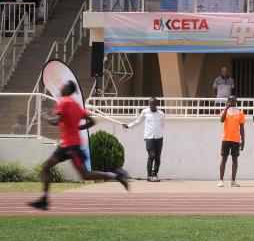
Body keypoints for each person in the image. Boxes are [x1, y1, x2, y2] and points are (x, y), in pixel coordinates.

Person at [27, 81, 129, 210]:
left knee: (53, 168)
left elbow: (55, 121)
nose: (61, 87)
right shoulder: (75, 105)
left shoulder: (64, 102)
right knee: (80, 174)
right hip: (70, 144)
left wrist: (44, 116)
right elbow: (92, 121)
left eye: (63, 86)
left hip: (70, 146)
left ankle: (116, 175)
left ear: (68, 90)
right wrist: (78, 128)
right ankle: (115, 175)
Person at [125, 97, 167, 182]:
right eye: (150, 104)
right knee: (151, 156)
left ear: (156, 104)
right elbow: (138, 121)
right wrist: (129, 126)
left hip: (159, 138)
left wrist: (158, 133)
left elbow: (162, 125)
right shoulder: (145, 112)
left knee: (157, 157)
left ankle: (155, 175)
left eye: (153, 104)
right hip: (149, 137)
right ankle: (149, 176)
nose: (152, 105)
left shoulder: (161, 114)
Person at [217, 95, 245, 187]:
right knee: (224, 159)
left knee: (235, 160)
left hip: (236, 140)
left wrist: (243, 140)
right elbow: (221, 120)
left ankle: (233, 181)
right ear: (227, 101)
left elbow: (242, 128)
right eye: (230, 100)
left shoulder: (240, 113)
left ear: (236, 101)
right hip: (225, 139)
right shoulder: (225, 111)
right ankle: (221, 180)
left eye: (233, 100)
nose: (231, 101)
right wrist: (227, 108)